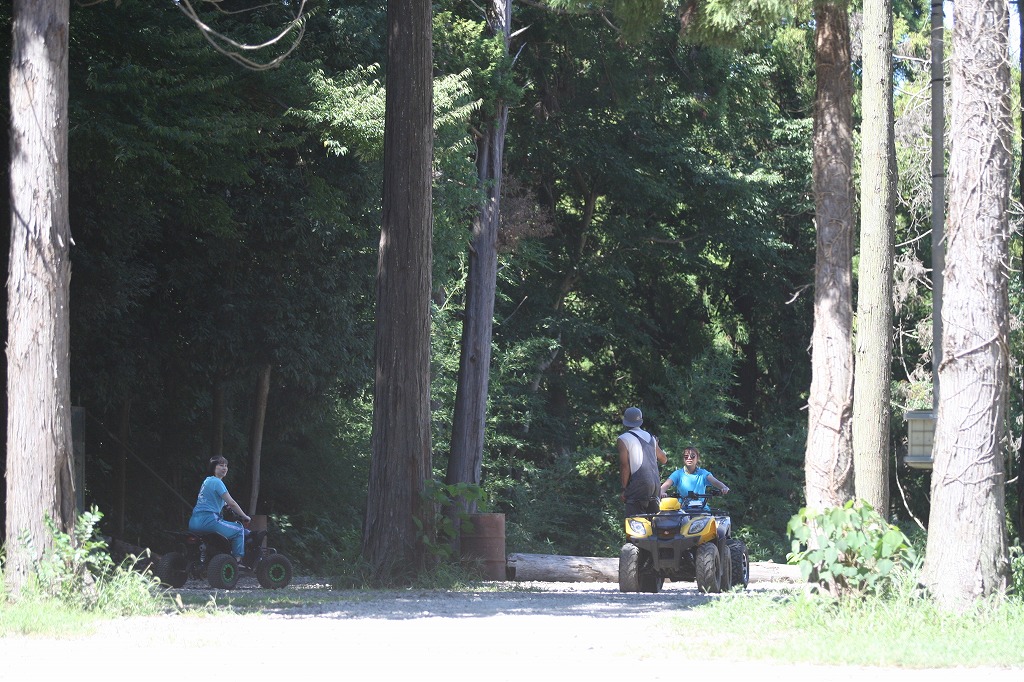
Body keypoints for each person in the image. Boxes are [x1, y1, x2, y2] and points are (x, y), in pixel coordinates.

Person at [188, 456, 251, 564]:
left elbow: (217, 501)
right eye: (221, 465)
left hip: (194, 522)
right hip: (210, 521)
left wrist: (226, 506)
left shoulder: (207, 481)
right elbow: (232, 503)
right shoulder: (217, 482)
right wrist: (245, 516)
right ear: (213, 467)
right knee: (239, 530)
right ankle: (237, 561)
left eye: (226, 465)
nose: (224, 468)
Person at [617, 407, 668, 515]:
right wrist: (655, 444)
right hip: (655, 485)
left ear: (625, 421)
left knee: (636, 522)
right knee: (653, 521)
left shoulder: (623, 439)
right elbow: (664, 459)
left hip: (639, 485)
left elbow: (625, 466)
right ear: (640, 420)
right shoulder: (651, 437)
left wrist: (624, 489)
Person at [660, 446, 730, 507]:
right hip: (683, 509)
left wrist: (723, 487)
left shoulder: (703, 473)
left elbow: (715, 481)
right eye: (686, 456)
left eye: (692, 456)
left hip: (701, 509)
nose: (689, 458)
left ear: (697, 458)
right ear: (683, 459)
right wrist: (662, 492)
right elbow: (666, 485)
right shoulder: (677, 474)